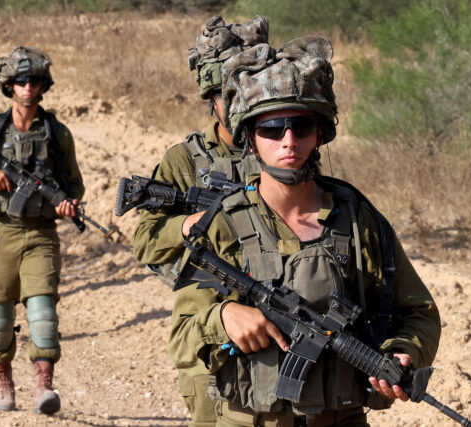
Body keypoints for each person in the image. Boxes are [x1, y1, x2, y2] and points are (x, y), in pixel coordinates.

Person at [169, 36, 441, 426]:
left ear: (320, 133)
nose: (289, 141)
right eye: (272, 129)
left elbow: (419, 311)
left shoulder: (359, 219)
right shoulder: (223, 223)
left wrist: (403, 350)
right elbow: (181, 335)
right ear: (249, 137)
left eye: (301, 126)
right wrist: (225, 316)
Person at [132, 16, 268, 427]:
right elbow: (146, 241)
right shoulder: (185, 160)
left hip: (273, 324)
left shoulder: (283, 149)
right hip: (206, 329)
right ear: (211, 98)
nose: (242, 109)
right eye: (230, 97)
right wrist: (187, 225)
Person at [0, 47, 84, 415]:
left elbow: (74, 184)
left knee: (43, 312)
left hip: (41, 234)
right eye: (20, 81)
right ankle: (4, 384)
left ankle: (44, 386)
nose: (28, 87)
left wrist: (66, 203)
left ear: (44, 85)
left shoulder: (57, 133)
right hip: (0, 233)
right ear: (8, 85)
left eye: (35, 81)